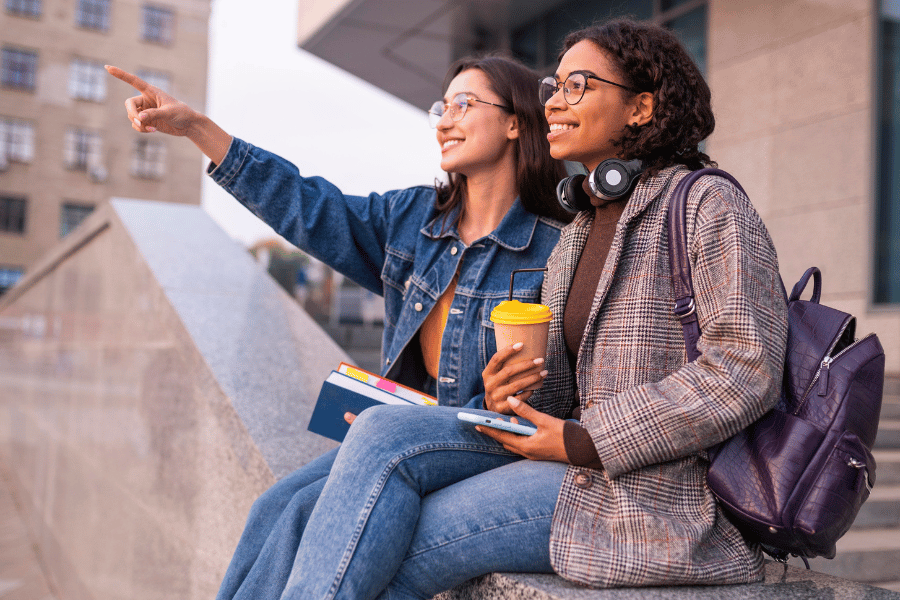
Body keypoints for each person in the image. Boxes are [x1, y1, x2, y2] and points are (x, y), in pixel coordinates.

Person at [277, 18, 790, 599]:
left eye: (579, 86)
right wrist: (510, 392)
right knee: (370, 473)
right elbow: (565, 390)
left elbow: (746, 368)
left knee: (389, 534)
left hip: (654, 496)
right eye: (554, 86)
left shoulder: (707, 202)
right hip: (577, 471)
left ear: (641, 108)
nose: (555, 103)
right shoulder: (582, 228)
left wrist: (588, 440)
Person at [106, 55, 570, 600]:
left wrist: (494, 400)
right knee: (275, 505)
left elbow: (570, 381)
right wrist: (198, 129)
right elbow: (309, 206)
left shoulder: (556, 246)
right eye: (441, 108)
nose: (444, 120)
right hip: (414, 429)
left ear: (515, 122)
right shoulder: (414, 220)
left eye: (464, 105)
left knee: (310, 507)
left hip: (497, 439)